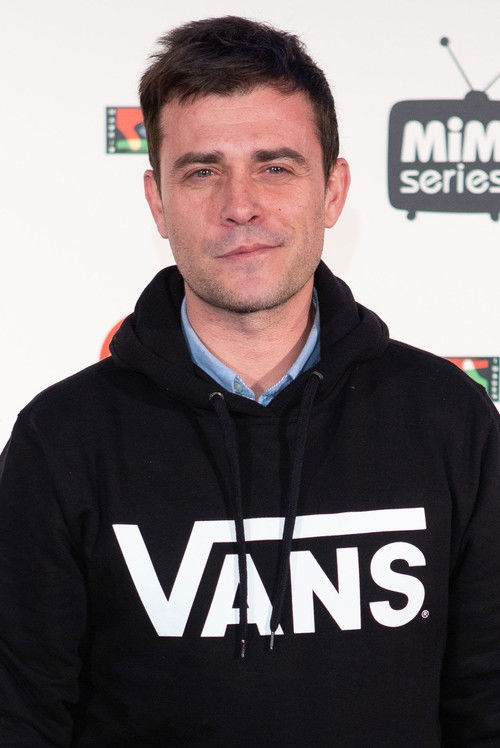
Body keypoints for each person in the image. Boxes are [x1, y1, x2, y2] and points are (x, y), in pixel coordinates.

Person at [0, 15, 499, 748]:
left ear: (333, 191)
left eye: (276, 167)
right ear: (157, 202)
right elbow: (21, 715)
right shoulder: (63, 438)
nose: (240, 205)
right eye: (202, 171)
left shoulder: (448, 418)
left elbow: (487, 702)